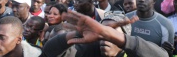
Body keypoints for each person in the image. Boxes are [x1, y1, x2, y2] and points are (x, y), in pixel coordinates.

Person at [40, 10, 169, 57]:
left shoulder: (133, 53)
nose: (104, 37)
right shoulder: (90, 50)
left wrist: (109, 33)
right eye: (101, 32)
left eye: (112, 33)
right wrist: (77, 34)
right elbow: (49, 52)